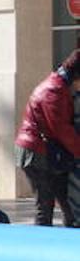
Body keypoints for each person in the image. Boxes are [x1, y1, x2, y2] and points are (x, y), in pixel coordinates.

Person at [15, 49, 80, 227]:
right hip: (37, 152)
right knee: (45, 204)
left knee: (66, 201)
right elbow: (61, 129)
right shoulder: (54, 90)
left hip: (46, 150)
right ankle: (42, 245)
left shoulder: (58, 85)